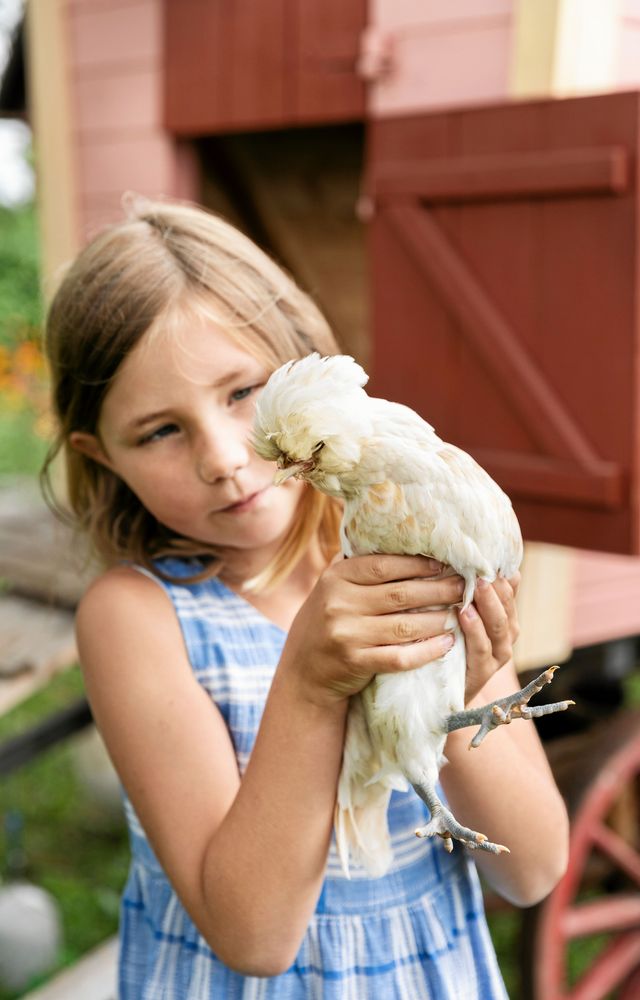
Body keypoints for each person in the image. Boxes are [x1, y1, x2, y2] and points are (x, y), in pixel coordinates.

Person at [42, 197, 568, 999]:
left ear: (307, 375)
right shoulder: (138, 620)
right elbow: (251, 935)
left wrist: (454, 704)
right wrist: (310, 681)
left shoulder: (404, 566)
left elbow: (531, 868)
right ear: (100, 455)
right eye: (159, 431)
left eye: (243, 392)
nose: (224, 458)